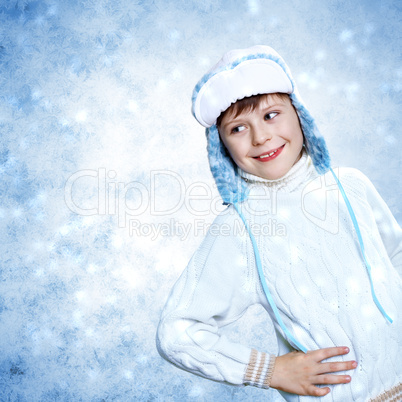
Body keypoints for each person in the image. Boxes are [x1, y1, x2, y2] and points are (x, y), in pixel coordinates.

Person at [156, 45, 401, 401]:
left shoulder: (351, 185)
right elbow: (177, 332)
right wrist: (269, 370)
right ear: (221, 147)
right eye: (238, 128)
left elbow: (395, 256)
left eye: (271, 115)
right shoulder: (240, 230)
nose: (261, 137)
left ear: (299, 114)